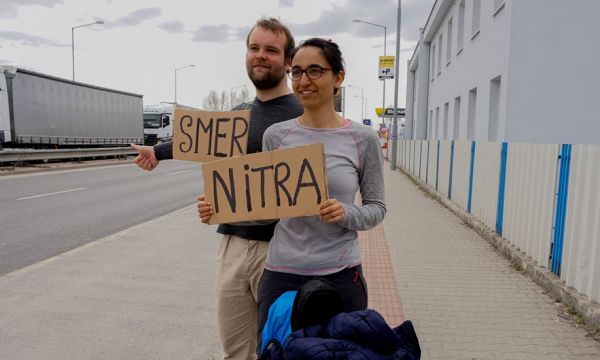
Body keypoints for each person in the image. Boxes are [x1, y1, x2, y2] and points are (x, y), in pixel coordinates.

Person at [197, 38, 386, 355]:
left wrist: (346, 213)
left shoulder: (362, 138)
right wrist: (221, 209)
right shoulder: (278, 136)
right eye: (296, 72)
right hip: (281, 274)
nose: (304, 81)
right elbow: (269, 210)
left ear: (338, 77)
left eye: (315, 71)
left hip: (341, 274)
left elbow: (377, 208)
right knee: (274, 353)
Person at [132, 18, 303, 360]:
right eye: (254, 48)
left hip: (284, 248)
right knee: (236, 350)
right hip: (234, 246)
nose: (260, 56)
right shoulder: (237, 114)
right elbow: (198, 141)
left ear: (287, 61)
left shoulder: (303, 114)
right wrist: (157, 153)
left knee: (281, 349)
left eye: (271, 50)